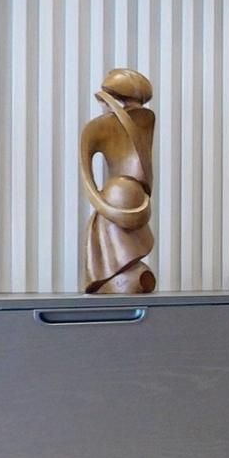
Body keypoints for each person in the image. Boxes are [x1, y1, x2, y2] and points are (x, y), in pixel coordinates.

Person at [78, 68, 157, 294]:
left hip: (117, 196)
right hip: (134, 194)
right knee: (122, 254)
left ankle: (116, 278)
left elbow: (86, 175)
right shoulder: (147, 120)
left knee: (110, 250)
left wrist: (102, 203)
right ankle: (121, 278)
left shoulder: (96, 128)